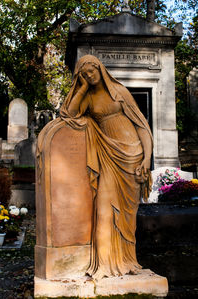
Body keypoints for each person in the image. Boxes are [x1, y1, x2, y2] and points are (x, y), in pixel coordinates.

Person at [60, 55, 153, 280]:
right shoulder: (88, 98)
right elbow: (69, 114)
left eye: (92, 71)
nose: (90, 76)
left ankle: (127, 261)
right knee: (104, 210)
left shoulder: (119, 92)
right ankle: (104, 265)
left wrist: (147, 159)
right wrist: (81, 88)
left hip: (132, 154)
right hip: (109, 157)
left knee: (127, 217)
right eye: (84, 74)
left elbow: (142, 126)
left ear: (100, 69)